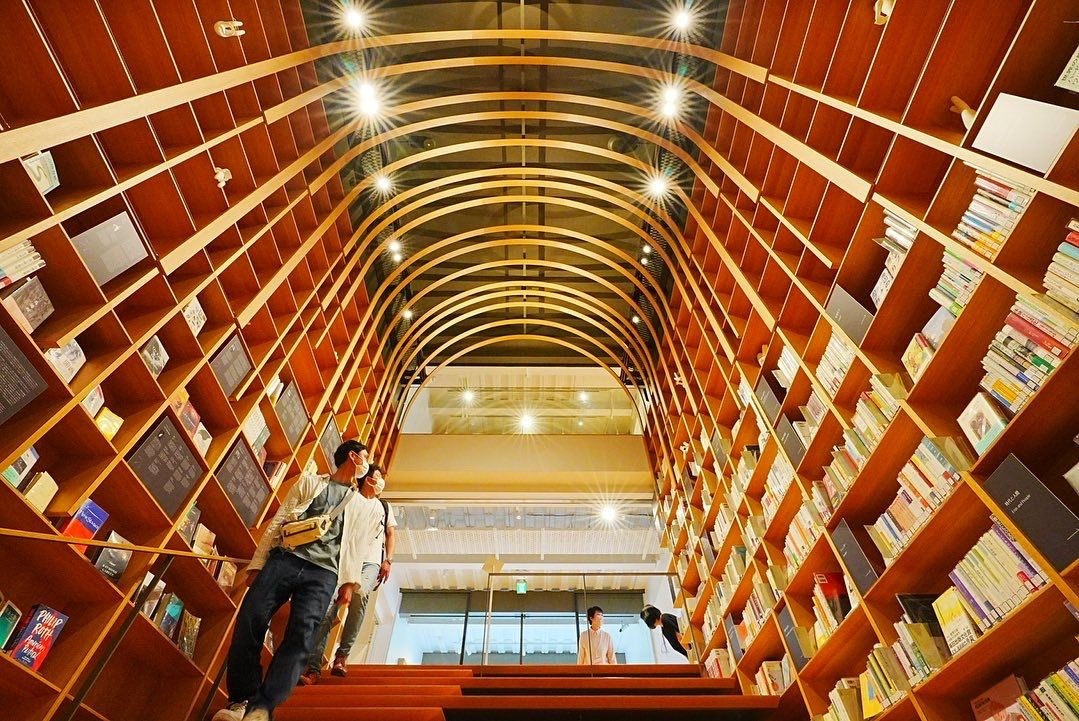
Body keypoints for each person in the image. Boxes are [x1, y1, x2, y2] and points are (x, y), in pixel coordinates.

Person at [213, 440, 373, 721]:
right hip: (285, 559)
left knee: (301, 636)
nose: (367, 463)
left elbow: (356, 545)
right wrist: (258, 563)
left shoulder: (361, 504)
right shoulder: (310, 482)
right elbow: (279, 521)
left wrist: (349, 583)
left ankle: (262, 708)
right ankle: (241, 700)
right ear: (353, 456)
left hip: (324, 574)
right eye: (365, 457)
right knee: (251, 618)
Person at [300, 464, 396, 683]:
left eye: (381, 477)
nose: (379, 480)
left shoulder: (384, 507)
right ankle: (312, 668)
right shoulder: (349, 497)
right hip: (342, 558)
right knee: (328, 610)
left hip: (370, 561)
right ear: (366, 479)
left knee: (360, 595)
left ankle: (342, 656)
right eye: (376, 476)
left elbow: (391, 534)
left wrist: (388, 560)